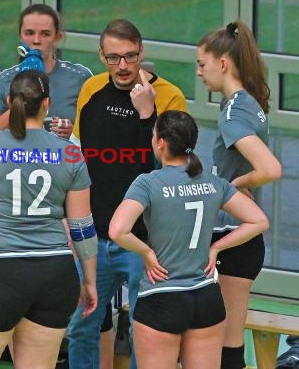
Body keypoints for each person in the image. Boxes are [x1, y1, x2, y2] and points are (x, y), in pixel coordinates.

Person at [0, 70, 98, 368]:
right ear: (48, 103)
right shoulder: (70, 153)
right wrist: (90, 281)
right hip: (55, 274)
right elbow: (82, 228)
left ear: (9, 102)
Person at [66, 18, 186, 369]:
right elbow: (76, 160)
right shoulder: (90, 90)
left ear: (141, 53)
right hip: (93, 238)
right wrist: (69, 219)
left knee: (144, 332)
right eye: (114, 57)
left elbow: (170, 172)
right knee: (82, 325)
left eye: (130, 57)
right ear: (101, 55)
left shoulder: (170, 96)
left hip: (145, 241)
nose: (123, 66)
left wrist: (148, 115)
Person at [108, 110, 269, 369]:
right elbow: (260, 221)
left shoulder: (148, 183)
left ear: (160, 142)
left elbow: (118, 231)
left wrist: (147, 253)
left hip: (162, 298)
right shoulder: (214, 183)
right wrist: (217, 247)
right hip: (206, 298)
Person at [197, 19, 282, 369]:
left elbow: (271, 169)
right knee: (224, 343)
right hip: (237, 238)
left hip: (234, 237)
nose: (199, 73)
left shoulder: (234, 112)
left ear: (222, 64)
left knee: (225, 347)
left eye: (202, 65)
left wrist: (234, 188)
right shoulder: (246, 102)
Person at [0, 3, 92, 140]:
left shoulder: (79, 77)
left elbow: (101, 132)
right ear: (20, 36)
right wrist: (17, 109)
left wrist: (75, 134)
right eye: (29, 33)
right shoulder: (2, 81)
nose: (36, 40)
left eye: (45, 34)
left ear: (57, 38)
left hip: (64, 160)